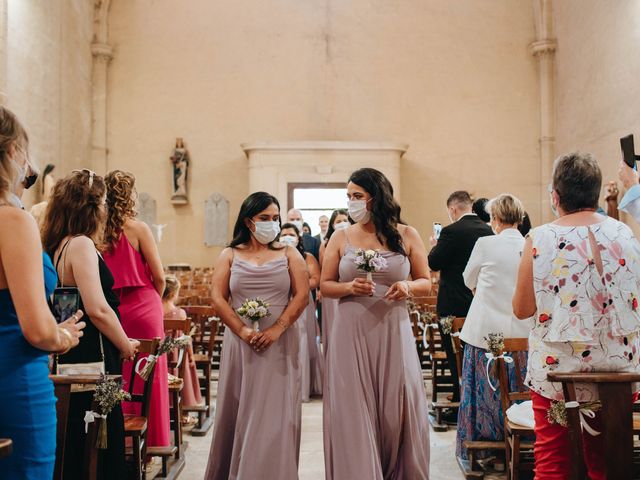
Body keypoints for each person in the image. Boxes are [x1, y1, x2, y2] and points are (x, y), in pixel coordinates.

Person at [513, 152, 640, 479]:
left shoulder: (539, 238)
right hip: (619, 371)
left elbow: (522, 308)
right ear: (596, 192)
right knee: (606, 461)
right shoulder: (625, 234)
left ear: (555, 196)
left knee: (553, 462)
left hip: (559, 373)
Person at [321, 168, 431, 479]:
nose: (352, 203)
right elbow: (324, 285)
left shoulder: (407, 235)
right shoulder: (340, 236)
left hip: (392, 330)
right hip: (350, 333)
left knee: (393, 410)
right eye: (349, 197)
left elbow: (425, 281)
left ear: (376, 197)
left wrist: (407, 287)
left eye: (357, 196)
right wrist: (348, 287)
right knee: (353, 409)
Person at [0, 106, 85, 480]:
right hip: (13, 379)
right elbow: (36, 330)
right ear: (13, 152)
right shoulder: (12, 220)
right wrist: (63, 335)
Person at [205, 192, 309, 479]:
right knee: (240, 408)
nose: (272, 224)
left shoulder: (289, 254)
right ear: (249, 221)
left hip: (281, 341)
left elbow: (301, 296)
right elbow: (217, 296)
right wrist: (242, 331)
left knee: (276, 412)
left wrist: (277, 329)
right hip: (241, 343)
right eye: (265, 218)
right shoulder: (229, 254)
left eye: (276, 218)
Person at [42, 169, 138, 479]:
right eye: (105, 202)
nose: (107, 208)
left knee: (79, 444)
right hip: (93, 356)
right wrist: (125, 343)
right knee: (97, 444)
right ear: (92, 206)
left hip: (76, 355)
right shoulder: (81, 244)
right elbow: (97, 308)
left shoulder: (58, 245)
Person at [456, 194, 533, 464]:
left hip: (486, 333)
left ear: (495, 219)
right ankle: (523, 442)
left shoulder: (485, 244)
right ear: (521, 219)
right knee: (520, 389)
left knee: (486, 391)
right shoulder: (529, 244)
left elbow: (468, 279)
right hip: (523, 333)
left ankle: (487, 449)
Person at [103, 170, 170, 449]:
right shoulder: (139, 228)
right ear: (130, 195)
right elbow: (160, 276)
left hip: (112, 306)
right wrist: (154, 299)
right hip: (144, 304)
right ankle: (152, 442)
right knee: (151, 369)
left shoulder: (99, 231)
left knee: (119, 367)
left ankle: (121, 440)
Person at [428, 190, 493, 403]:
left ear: (453, 209)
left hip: (452, 304)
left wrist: (435, 246)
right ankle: (478, 397)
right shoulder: (488, 231)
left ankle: (459, 399)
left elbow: (434, 263)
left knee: (454, 354)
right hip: (480, 303)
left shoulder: (450, 231)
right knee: (478, 353)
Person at [280, 223, 323, 400]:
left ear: (299, 238)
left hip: (302, 300)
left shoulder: (307, 257)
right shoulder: (275, 255)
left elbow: (315, 279)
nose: (287, 237)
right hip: (281, 300)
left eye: (291, 234)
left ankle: (303, 385)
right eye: (284, 234)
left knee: (303, 338)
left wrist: (298, 286)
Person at [161, 275, 203, 416]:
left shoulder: (155, 311)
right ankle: (182, 412)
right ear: (173, 294)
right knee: (185, 367)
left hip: (159, 355)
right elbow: (186, 340)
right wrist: (190, 356)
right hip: (176, 357)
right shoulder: (180, 313)